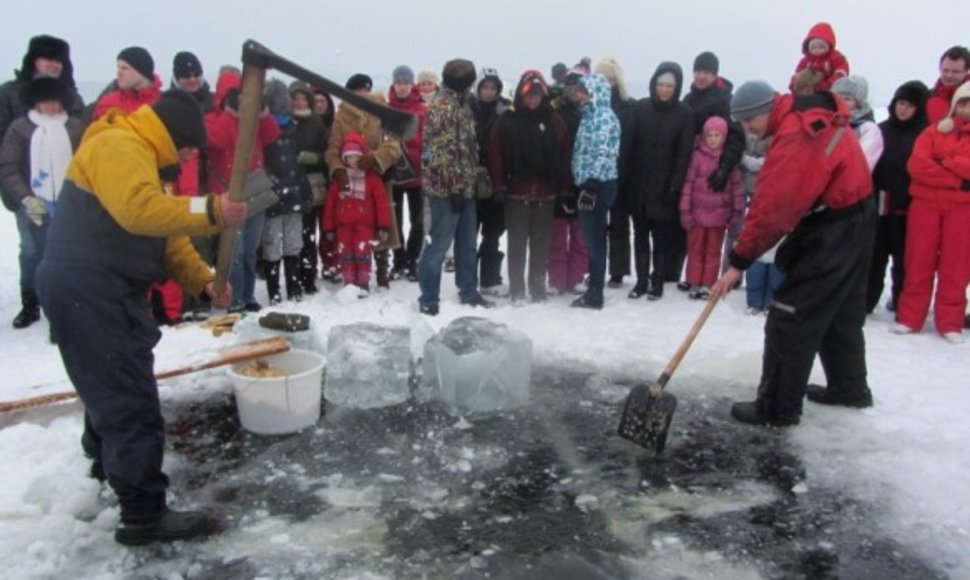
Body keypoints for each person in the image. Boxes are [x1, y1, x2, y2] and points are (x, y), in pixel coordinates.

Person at [35, 89, 248, 545]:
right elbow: (138, 211)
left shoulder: (149, 163)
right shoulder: (118, 145)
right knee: (129, 397)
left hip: (107, 287)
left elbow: (168, 236)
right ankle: (143, 515)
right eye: (190, 147)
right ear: (174, 137)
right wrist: (213, 210)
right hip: (87, 286)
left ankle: (104, 460)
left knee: (112, 378)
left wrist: (205, 281)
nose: (191, 156)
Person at [710, 80, 875, 426]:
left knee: (790, 315)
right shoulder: (805, 114)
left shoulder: (798, 135)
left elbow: (773, 209)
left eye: (750, 120)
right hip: (855, 215)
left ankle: (776, 408)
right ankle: (848, 387)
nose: (748, 129)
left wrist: (739, 261)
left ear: (767, 109)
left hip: (835, 227)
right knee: (839, 309)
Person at [0, 77, 84, 331]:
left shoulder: (75, 127)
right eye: (45, 101)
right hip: (36, 203)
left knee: (71, 258)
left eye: (55, 101)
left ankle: (68, 308)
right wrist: (27, 198)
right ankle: (32, 304)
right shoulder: (21, 128)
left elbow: (87, 163)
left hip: (71, 204)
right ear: (35, 102)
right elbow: (9, 167)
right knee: (36, 256)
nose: (51, 106)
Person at [893, 81, 970, 344]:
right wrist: (958, 180)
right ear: (954, 105)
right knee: (918, 261)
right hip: (925, 205)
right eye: (962, 102)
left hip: (962, 210)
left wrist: (945, 162)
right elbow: (918, 166)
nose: (966, 108)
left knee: (956, 266)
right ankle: (910, 317)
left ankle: (950, 321)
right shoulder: (933, 132)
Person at [417, 58, 495, 315]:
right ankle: (428, 299)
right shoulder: (442, 107)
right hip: (446, 191)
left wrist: (469, 182)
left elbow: (464, 148)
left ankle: (469, 291)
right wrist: (454, 188)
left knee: (467, 243)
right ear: (464, 82)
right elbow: (439, 154)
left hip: (466, 186)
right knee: (438, 245)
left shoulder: (463, 103)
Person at [488, 70, 570, 304]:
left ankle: (537, 288)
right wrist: (499, 186)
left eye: (537, 95)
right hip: (516, 193)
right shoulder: (508, 121)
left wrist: (565, 190)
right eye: (528, 95)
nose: (532, 99)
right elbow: (496, 156)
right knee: (517, 243)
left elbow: (565, 157)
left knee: (541, 243)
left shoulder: (556, 121)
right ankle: (516, 289)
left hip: (546, 193)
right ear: (521, 96)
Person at [204, 68, 281, 312]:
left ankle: (247, 295)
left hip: (254, 192)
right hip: (226, 194)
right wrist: (231, 112)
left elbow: (273, 135)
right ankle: (234, 299)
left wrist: (262, 111)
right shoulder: (212, 119)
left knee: (249, 249)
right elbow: (216, 140)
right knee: (232, 251)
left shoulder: (254, 119)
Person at [618, 62, 694, 301]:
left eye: (669, 85)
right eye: (660, 84)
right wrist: (623, 179)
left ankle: (657, 281)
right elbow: (627, 147)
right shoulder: (640, 109)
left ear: (677, 87)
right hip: (638, 184)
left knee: (661, 238)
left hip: (665, 188)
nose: (664, 90)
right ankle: (641, 282)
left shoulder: (684, 114)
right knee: (639, 234)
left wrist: (674, 186)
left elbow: (683, 155)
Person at [324, 73, 402, 289]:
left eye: (366, 89)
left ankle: (382, 271)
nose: (363, 93)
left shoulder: (382, 110)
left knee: (382, 222)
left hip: (376, 174)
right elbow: (332, 148)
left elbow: (395, 143)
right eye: (358, 90)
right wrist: (338, 168)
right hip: (349, 179)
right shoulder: (341, 116)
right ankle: (352, 273)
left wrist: (376, 157)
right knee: (353, 229)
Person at [682, 51, 745, 291]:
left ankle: (707, 281)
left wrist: (724, 168)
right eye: (698, 71)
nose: (701, 76)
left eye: (707, 72)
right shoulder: (688, 98)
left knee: (712, 241)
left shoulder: (723, 100)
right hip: (692, 171)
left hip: (716, 177)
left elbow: (736, 138)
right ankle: (691, 277)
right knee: (693, 238)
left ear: (715, 74)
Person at [867, 80, 929, 314]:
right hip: (880, 205)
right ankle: (866, 302)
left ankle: (902, 304)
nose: (903, 109)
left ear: (919, 109)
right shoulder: (881, 130)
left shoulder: (925, 133)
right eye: (901, 103)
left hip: (909, 208)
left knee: (904, 263)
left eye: (910, 106)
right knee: (874, 258)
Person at [565, 72, 620, 310]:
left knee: (594, 241)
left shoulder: (604, 118)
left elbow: (603, 152)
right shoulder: (589, 116)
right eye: (579, 92)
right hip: (588, 184)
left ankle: (595, 293)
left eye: (585, 92)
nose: (580, 96)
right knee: (592, 239)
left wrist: (591, 185)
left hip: (597, 186)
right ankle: (594, 287)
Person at [170, 50, 218, 321]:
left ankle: (202, 298)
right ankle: (181, 303)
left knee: (202, 243)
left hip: (204, 185)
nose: (192, 79)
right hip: (177, 186)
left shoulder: (210, 102)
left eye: (196, 74)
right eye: (186, 75)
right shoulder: (171, 103)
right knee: (178, 243)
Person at [678, 116, 744, 299]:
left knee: (713, 250)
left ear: (724, 137)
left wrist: (736, 212)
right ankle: (693, 280)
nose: (713, 139)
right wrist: (685, 210)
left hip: (719, 215)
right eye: (710, 135)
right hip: (697, 214)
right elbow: (688, 185)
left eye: (717, 135)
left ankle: (708, 283)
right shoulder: (697, 156)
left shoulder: (728, 160)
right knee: (695, 248)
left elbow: (737, 188)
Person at [322, 134, 392, 297]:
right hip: (343, 226)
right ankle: (349, 282)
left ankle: (362, 281)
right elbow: (330, 205)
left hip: (365, 225)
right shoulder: (339, 179)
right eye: (349, 157)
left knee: (362, 253)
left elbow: (381, 203)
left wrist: (383, 225)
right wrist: (329, 228)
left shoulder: (372, 178)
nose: (352, 160)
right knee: (345, 254)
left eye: (356, 156)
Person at [261, 79, 310, 304]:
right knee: (273, 244)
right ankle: (276, 291)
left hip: (292, 191)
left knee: (292, 243)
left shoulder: (295, 128)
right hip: (275, 194)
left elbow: (299, 162)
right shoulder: (264, 130)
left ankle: (293, 287)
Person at [470, 68, 511, 295]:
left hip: (496, 180)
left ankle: (490, 279)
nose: (488, 92)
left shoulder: (504, 112)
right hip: (471, 179)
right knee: (469, 235)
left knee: (493, 233)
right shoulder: (468, 109)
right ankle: (467, 280)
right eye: (485, 87)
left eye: (493, 88)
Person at [548, 69, 588, 297]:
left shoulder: (589, 113)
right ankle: (556, 279)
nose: (575, 92)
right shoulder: (555, 113)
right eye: (571, 86)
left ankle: (576, 278)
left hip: (582, 181)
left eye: (579, 87)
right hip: (560, 181)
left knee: (580, 235)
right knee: (557, 235)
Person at [387, 65, 427, 282]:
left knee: (417, 221)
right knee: (395, 221)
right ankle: (399, 260)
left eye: (406, 82)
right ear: (394, 83)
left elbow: (428, 140)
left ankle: (412, 261)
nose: (402, 87)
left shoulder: (422, 110)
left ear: (412, 85)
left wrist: (422, 160)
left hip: (417, 175)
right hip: (393, 175)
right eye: (399, 82)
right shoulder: (386, 108)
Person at [289, 81, 330, 295]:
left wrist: (313, 158)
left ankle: (309, 276)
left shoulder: (316, 123)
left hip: (312, 184)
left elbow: (328, 153)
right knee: (291, 235)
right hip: (289, 185)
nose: (299, 102)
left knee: (309, 234)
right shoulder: (285, 122)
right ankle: (293, 277)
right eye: (295, 98)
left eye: (303, 98)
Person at [92, 46, 162, 120]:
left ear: (142, 72)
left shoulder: (163, 102)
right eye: (118, 67)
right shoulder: (109, 103)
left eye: (125, 68)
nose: (118, 72)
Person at [831, 75, 884, 171]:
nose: (842, 102)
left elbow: (863, 165)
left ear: (859, 102)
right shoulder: (829, 122)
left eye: (847, 99)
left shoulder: (867, 128)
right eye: (838, 98)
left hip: (848, 182)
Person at [789, 22, 850, 93]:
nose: (817, 50)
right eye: (813, 47)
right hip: (808, 90)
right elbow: (797, 74)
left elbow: (841, 72)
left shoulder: (835, 57)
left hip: (828, 90)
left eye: (821, 47)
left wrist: (828, 84)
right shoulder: (806, 61)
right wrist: (794, 85)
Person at [926, 46, 970, 123]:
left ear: (966, 71)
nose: (949, 75)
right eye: (945, 70)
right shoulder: (927, 97)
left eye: (955, 72)